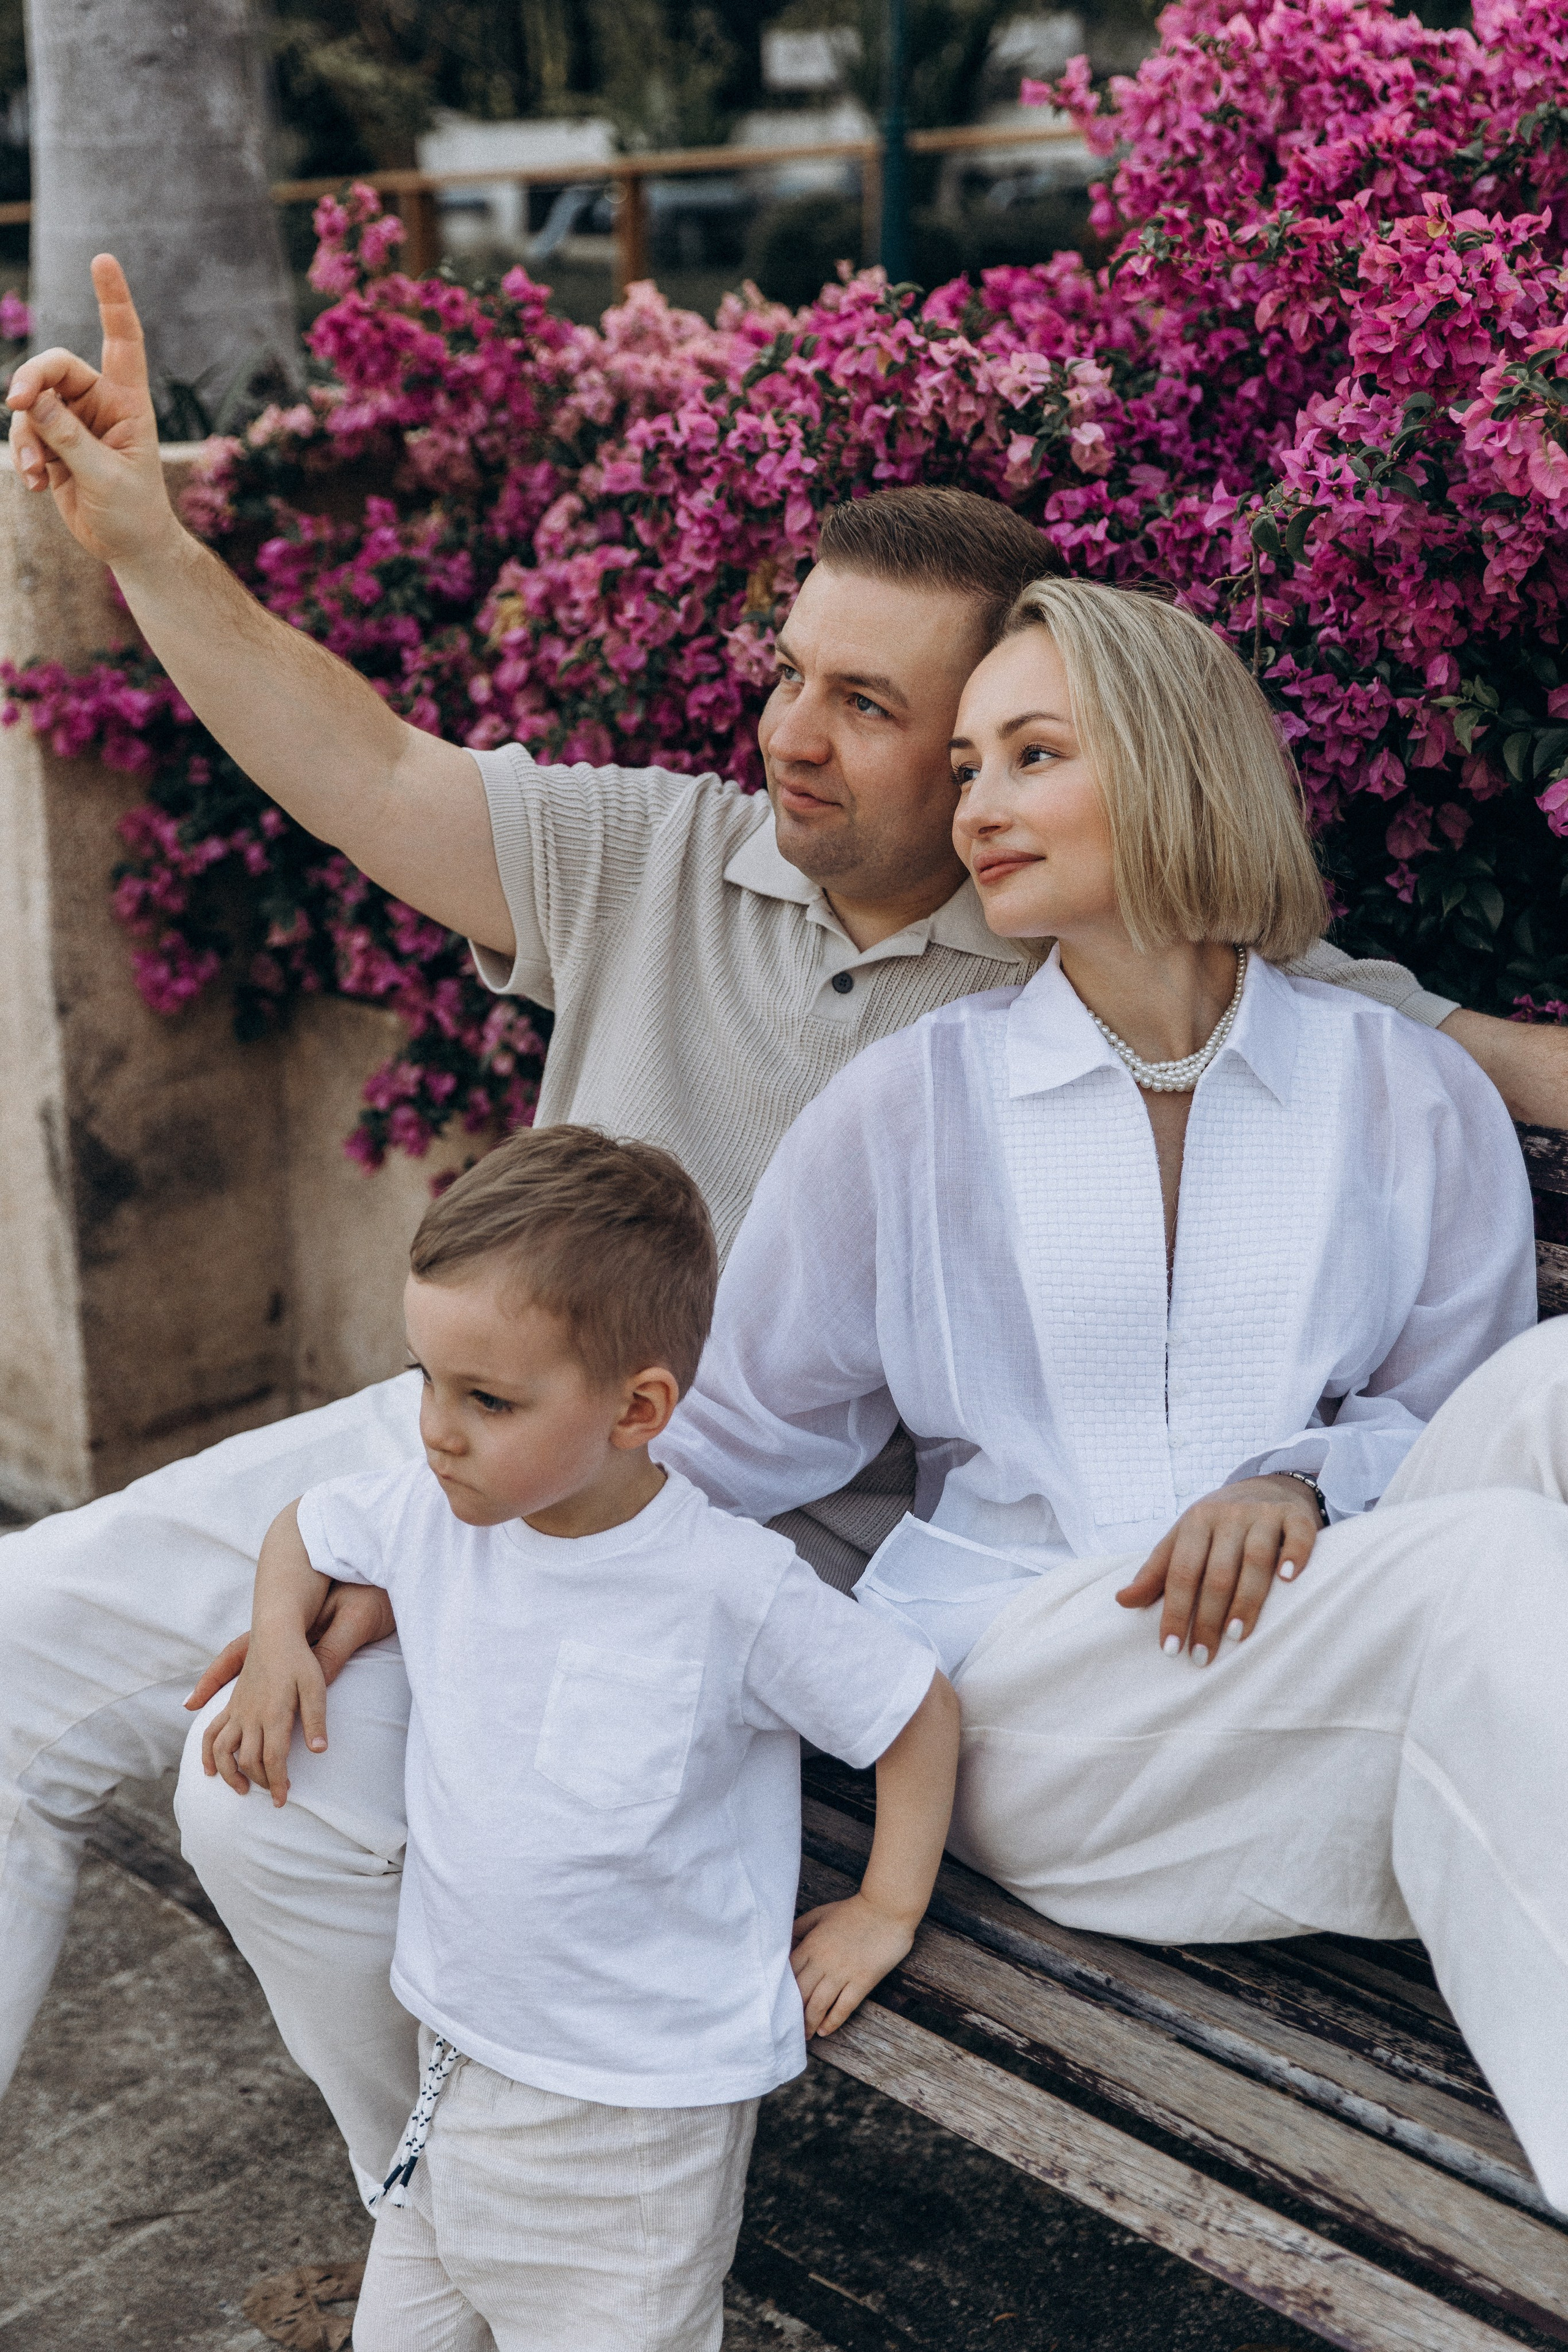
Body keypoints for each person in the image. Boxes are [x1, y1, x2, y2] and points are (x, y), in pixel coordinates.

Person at [2, 260, 1563, 2193]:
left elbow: (1422, 1076)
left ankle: (505, 2202)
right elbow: (370, 773)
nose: (794, 732)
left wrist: (1308, 1477)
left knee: (1532, 1458)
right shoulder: (667, 866)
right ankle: (472, 2195)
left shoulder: (1292, 1037)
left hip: (840, 1567)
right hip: (578, 1456)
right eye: (790, 673)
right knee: (66, 1678)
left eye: (885, 709)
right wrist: (147, 541)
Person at [660, 578, 1568, 2208]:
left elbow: (1452, 1420)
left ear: (1168, 764)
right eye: (965, 769)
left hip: (1321, 1642)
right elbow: (720, 1450)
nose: (978, 806)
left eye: (1031, 755)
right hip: (1035, 1694)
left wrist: (1297, 1480)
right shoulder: (911, 1110)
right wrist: (395, 1533)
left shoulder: (1403, 1089)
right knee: (1496, 1569)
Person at [195, 1123, 956, 2352]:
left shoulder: (725, 1587)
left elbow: (911, 1709)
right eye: (424, 1379)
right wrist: (278, 1635)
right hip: (456, 2060)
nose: (436, 1428)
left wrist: (886, 1906)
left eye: (486, 1399)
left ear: (635, 1406)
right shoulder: (440, 1510)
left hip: (629, 2127)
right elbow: (304, 1524)